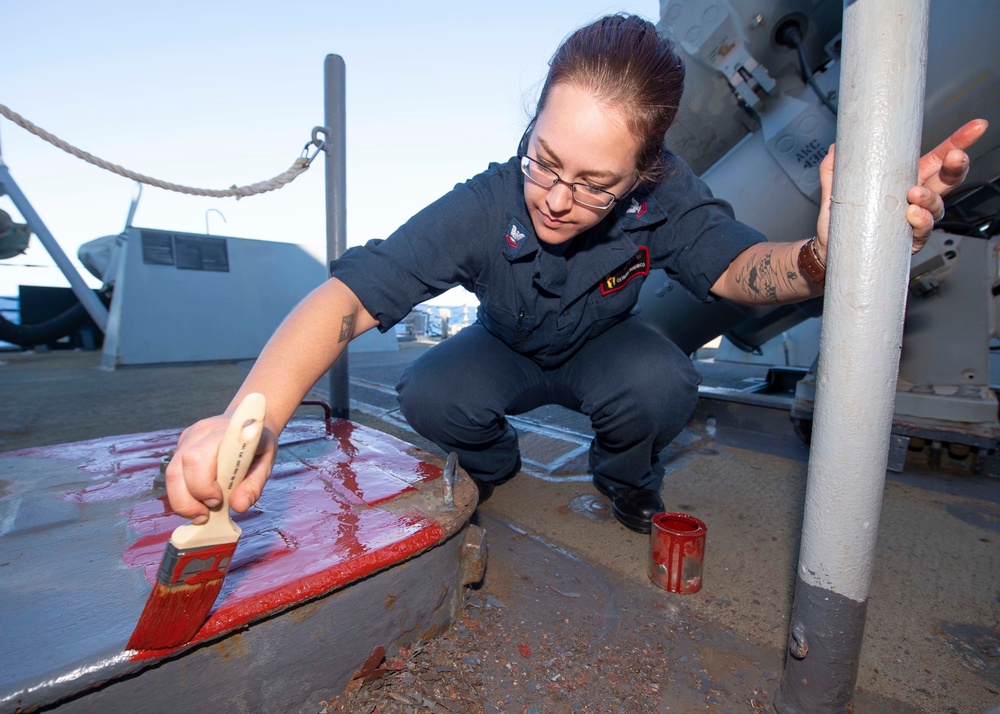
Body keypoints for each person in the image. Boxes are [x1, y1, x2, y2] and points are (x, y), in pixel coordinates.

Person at [166, 14, 987, 534]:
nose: (557, 200)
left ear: (643, 173)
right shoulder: (484, 205)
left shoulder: (669, 194)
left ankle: (626, 482)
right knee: (427, 394)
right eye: (545, 162)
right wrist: (252, 419)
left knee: (665, 381)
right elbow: (350, 297)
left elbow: (741, 269)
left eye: (595, 183)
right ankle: (492, 472)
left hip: (604, 347)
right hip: (505, 349)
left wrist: (830, 257)